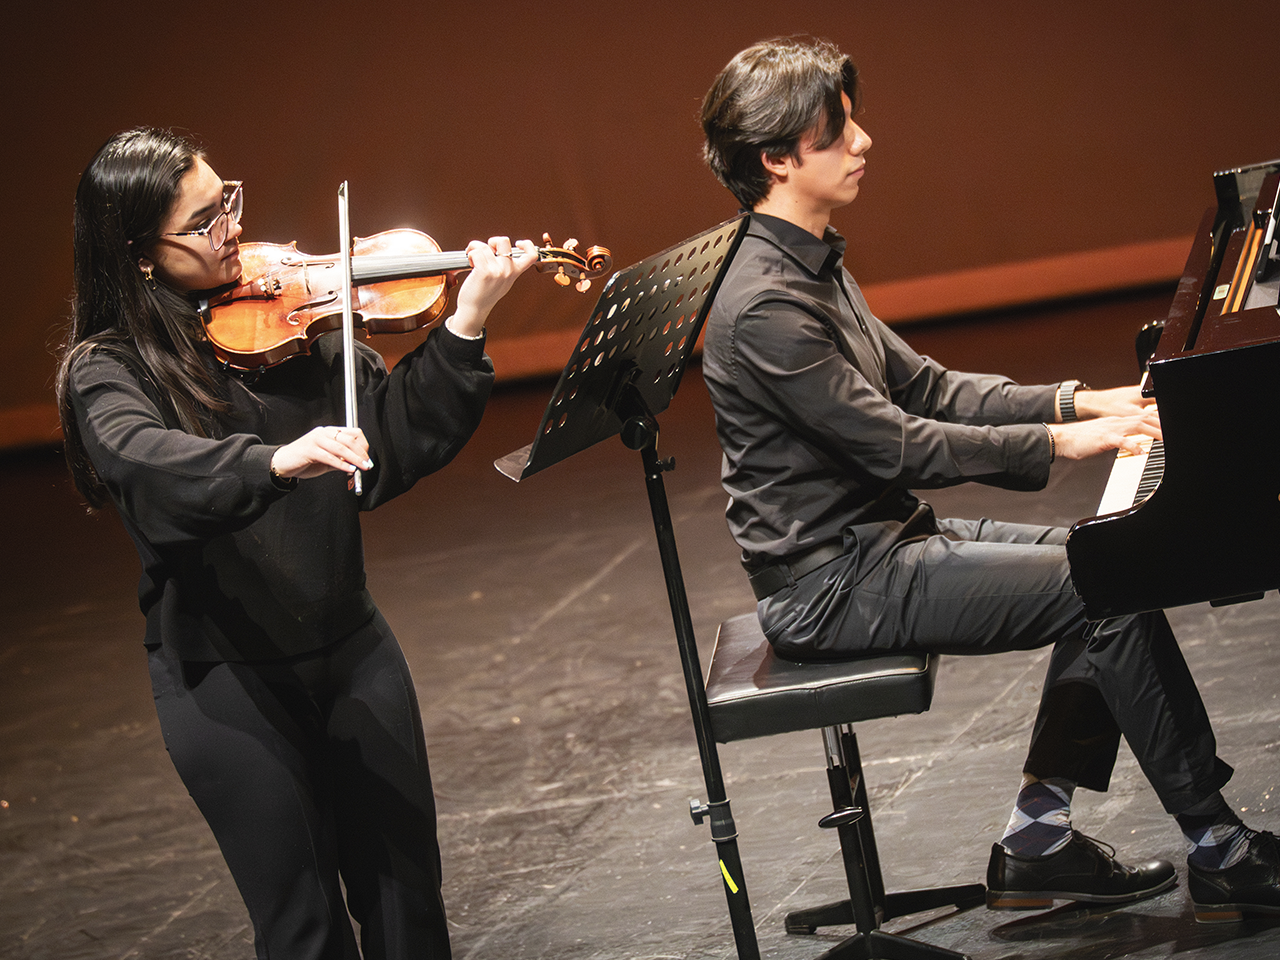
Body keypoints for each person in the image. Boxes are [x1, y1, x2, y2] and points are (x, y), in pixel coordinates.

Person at [698, 37, 1280, 923]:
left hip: (883, 544)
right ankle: (1219, 849)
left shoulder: (808, 262)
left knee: (1112, 564)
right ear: (777, 158)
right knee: (1107, 589)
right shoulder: (766, 302)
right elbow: (898, 446)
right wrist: (1061, 443)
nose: (863, 141)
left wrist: (1081, 399)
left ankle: (1037, 843)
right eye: (838, 131)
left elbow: (929, 387)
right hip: (831, 586)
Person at [55, 127, 539, 960]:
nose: (233, 229)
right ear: (140, 255)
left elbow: (383, 451)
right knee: (304, 931)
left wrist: (467, 321)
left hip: (352, 650)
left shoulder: (298, 325)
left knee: (409, 906)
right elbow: (147, 464)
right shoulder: (110, 370)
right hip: (226, 682)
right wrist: (274, 460)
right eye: (203, 223)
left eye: (228, 202)